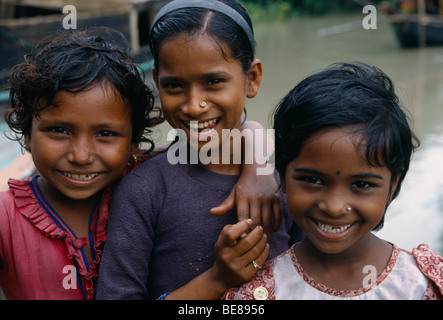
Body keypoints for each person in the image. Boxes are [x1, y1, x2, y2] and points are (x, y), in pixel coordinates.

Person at [0, 26, 278, 300]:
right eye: (59, 131)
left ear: (133, 142)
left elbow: (242, 131)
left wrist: (258, 169)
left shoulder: (143, 175)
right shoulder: (6, 219)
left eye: (106, 134)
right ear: (26, 135)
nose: (81, 156)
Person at [96, 0, 303, 300]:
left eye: (214, 81)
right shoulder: (144, 190)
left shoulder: (285, 184)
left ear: (252, 79)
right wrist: (217, 279)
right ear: (156, 82)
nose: (194, 105)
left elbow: (320, 281)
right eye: (174, 86)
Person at [225, 62, 443, 300]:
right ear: (283, 176)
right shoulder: (259, 292)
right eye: (313, 180)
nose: (335, 206)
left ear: (392, 186)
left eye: (361, 185)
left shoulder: (422, 286)